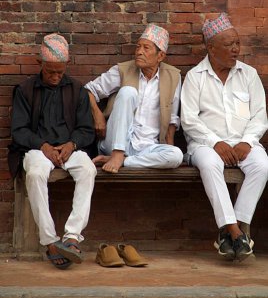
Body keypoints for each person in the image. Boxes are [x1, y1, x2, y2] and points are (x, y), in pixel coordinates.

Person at [181, 13, 268, 262]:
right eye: (229, 45)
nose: (236, 49)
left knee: (262, 165)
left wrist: (247, 141)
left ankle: (230, 233)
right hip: (205, 144)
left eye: (237, 43)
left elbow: (260, 116)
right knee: (210, 164)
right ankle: (235, 232)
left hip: (243, 143)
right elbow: (189, 119)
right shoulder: (195, 77)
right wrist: (215, 142)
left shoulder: (249, 75)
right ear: (211, 47)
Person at [10, 33, 97, 270]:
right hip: (37, 149)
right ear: (40, 64)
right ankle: (50, 241)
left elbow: (86, 129)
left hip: (69, 149)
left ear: (66, 66)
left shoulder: (77, 90)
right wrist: (43, 145)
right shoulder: (25, 90)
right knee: (36, 174)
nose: (56, 77)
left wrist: (72, 144)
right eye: (51, 72)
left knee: (88, 169)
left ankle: (71, 237)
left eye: (60, 72)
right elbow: (18, 130)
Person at [85, 23, 183, 173]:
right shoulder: (123, 70)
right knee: (128, 92)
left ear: (160, 56)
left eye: (146, 48)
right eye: (138, 47)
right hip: (114, 141)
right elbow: (88, 90)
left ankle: (125, 161)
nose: (139, 52)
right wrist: (98, 116)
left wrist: (168, 148)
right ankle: (117, 153)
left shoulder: (173, 76)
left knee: (176, 155)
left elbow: (172, 119)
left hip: (147, 147)